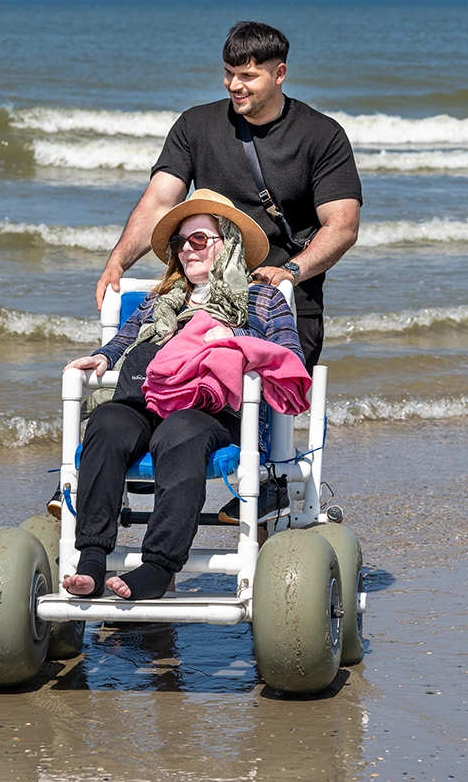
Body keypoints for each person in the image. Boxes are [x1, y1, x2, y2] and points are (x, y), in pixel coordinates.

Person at [61, 190, 307, 601]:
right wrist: (100, 358)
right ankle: (90, 559)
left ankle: (157, 567)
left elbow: (289, 358)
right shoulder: (160, 301)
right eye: (180, 243)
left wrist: (235, 337)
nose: (186, 250)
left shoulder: (261, 299)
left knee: (178, 433)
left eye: (198, 240)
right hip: (150, 400)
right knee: (106, 423)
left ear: (227, 243)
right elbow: (122, 344)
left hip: (215, 408)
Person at [96, 20, 363, 370]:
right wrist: (118, 261)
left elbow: (342, 226)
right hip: (203, 301)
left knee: (253, 411)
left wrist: (292, 271)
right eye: (228, 73)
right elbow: (159, 203)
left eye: (248, 76)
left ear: (279, 73)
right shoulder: (195, 126)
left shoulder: (322, 136)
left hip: (283, 305)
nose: (234, 85)